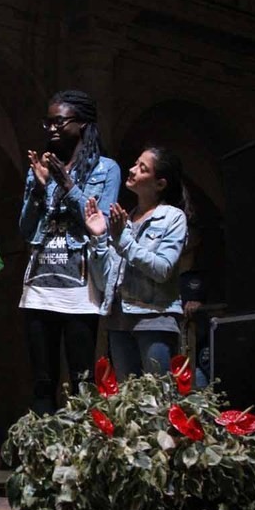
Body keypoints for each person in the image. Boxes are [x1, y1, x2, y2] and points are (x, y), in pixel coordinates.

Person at [19, 90, 121, 414]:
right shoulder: (42, 169)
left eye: (59, 121)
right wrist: (38, 189)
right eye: (47, 122)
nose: (51, 128)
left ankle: (78, 455)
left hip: (79, 288)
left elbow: (99, 224)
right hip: (40, 284)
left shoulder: (107, 169)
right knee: (42, 380)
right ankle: (42, 458)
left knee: (81, 379)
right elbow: (24, 230)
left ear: (82, 124)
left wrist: (68, 186)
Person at [84, 145, 189, 379]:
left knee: (157, 401)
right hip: (119, 321)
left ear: (160, 184)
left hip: (154, 320)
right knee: (128, 402)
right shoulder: (125, 220)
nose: (132, 170)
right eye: (135, 163)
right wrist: (100, 237)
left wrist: (124, 240)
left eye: (142, 168)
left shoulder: (173, 218)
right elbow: (103, 281)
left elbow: (162, 269)